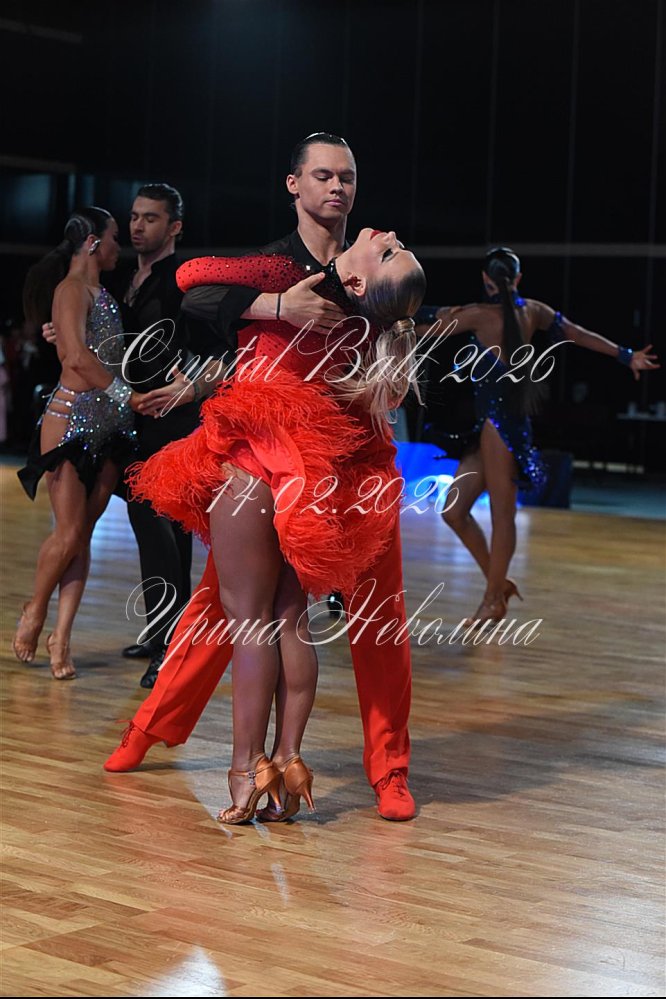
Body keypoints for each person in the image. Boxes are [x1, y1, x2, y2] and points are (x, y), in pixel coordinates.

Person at [106, 219, 426, 828]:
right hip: (299, 465)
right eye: (325, 176)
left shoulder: (353, 282)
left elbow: (198, 287)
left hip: (329, 465)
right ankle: (187, 735)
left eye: (346, 177)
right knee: (247, 610)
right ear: (295, 187)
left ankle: (380, 767)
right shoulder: (291, 267)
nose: (341, 189)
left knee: (353, 617)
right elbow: (212, 311)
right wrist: (275, 306)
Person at [416, 246, 660, 625]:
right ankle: (499, 584)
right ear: (517, 278)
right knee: (454, 510)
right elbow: (577, 334)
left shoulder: (479, 315)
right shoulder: (534, 311)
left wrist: (382, 319)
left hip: (498, 428)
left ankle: (493, 599)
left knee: (502, 515)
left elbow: (426, 328)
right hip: (496, 426)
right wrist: (625, 354)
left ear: (485, 278)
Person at [44, 183, 207, 689]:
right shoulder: (119, 282)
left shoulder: (181, 281)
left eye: (150, 218)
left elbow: (207, 343)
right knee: (153, 530)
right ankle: (161, 633)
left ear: (175, 227)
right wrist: (62, 330)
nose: (137, 226)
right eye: (134, 217)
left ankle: (170, 648)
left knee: (162, 530)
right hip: (128, 422)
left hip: (171, 423)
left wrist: (191, 382)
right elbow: (101, 339)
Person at [13, 208, 144, 678]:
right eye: (113, 237)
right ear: (92, 242)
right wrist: (129, 395)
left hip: (112, 428)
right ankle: (35, 609)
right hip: (71, 421)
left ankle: (62, 637)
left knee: (82, 536)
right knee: (68, 533)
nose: (117, 246)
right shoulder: (69, 290)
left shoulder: (103, 294)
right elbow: (75, 357)